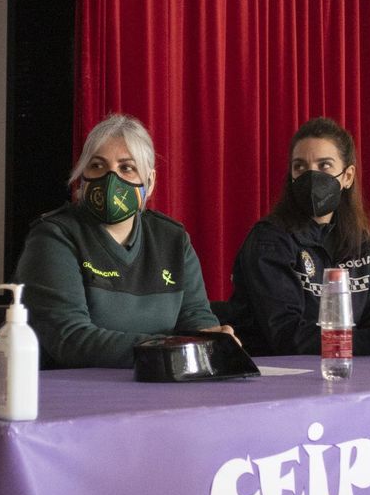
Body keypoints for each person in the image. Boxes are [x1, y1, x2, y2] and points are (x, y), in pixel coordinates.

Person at [14, 113, 231, 368]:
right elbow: (70, 338)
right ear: (81, 178)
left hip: (164, 384)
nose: (110, 179)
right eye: (97, 166)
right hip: (75, 393)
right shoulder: (55, 235)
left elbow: (196, 320)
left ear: (149, 183)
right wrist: (170, 348)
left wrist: (215, 340)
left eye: (126, 168)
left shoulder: (173, 239)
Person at [226, 117, 370, 358]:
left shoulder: (361, 243)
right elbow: (286, 335)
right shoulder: (269, 241)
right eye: (300, 166)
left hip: (345, 370)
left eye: (324, 165)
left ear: (347, 176)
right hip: (278, 375)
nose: (311, 176)